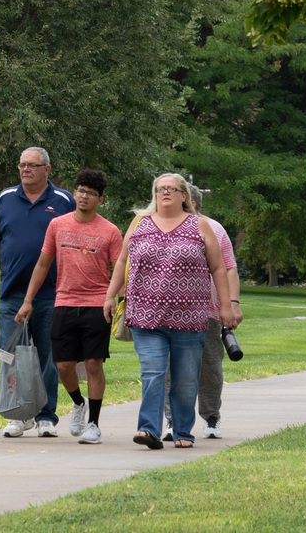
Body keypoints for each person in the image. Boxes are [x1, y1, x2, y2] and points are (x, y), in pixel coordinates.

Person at [103, 173, 237, 450]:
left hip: (190, 318)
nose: (165, 192)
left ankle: (183, 431)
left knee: (186, 378)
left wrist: (226, 305)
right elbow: (122, 261)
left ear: (184, 195)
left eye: (171, 189)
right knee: (152, 371)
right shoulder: (140, 223)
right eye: (160, 188)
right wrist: (109, 296)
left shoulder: (199, 225)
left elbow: (219, 268)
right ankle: (148, 429)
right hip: (145, 316)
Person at [15, 169, 122, 444]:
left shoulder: (110, 231)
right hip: (63, 302)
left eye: (91, 193)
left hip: (97, 304)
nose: (84, 196)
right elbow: (42, 264)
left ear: (100, 199)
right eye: (81, 190)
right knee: (63, 366)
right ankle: (78, 402)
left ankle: (94, 425)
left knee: (93, 364)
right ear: (74, 193)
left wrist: (118, 299)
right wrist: (28, 301)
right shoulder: (57, 224)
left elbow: (121, 269)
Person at [0, 147, 75, 437]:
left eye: (32, 165)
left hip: (51, 294)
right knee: (9, 354)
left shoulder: (63, 200)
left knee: (47, 355)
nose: (25, 170)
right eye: (22, 165)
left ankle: (46, 416)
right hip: (11, 293)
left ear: (47, 169)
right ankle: (18, 414)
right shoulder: (5, 198)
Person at [163, 184, 243, 441]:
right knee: (167, 368)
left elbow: (229, 268)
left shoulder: (214, 229)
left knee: (209, 366)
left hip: (206, 311)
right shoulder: (163, 225)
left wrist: (231, 303)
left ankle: (211, 416)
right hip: (168, 312)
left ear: (191, 203)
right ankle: (171, 421)